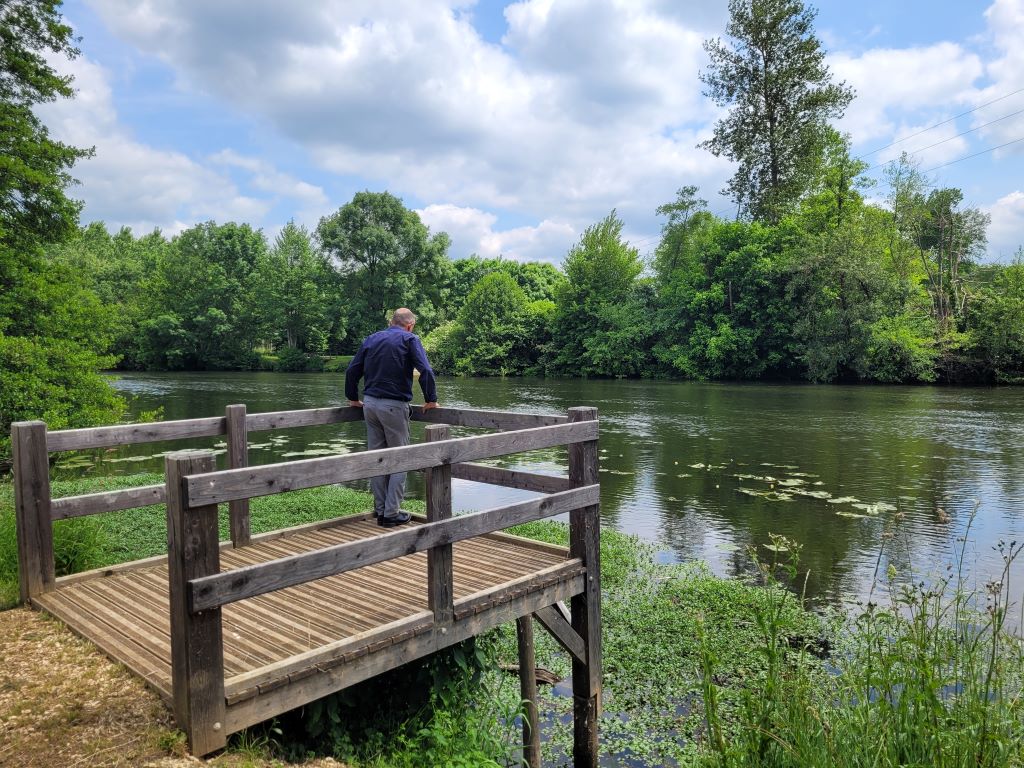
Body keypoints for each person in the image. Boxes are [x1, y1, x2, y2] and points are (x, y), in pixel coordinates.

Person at [345, 308, 439, 527]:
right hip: (394, 406)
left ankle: (380, 510)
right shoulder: (410, 339)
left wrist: (352, 398)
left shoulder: (372, 338)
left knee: (377, 458)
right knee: (400, 458)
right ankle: (391, 513)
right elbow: (425, 370)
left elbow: (352, 371)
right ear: (409, 325)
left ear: (391, 322)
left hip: (369, 404)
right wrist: (431, 399)